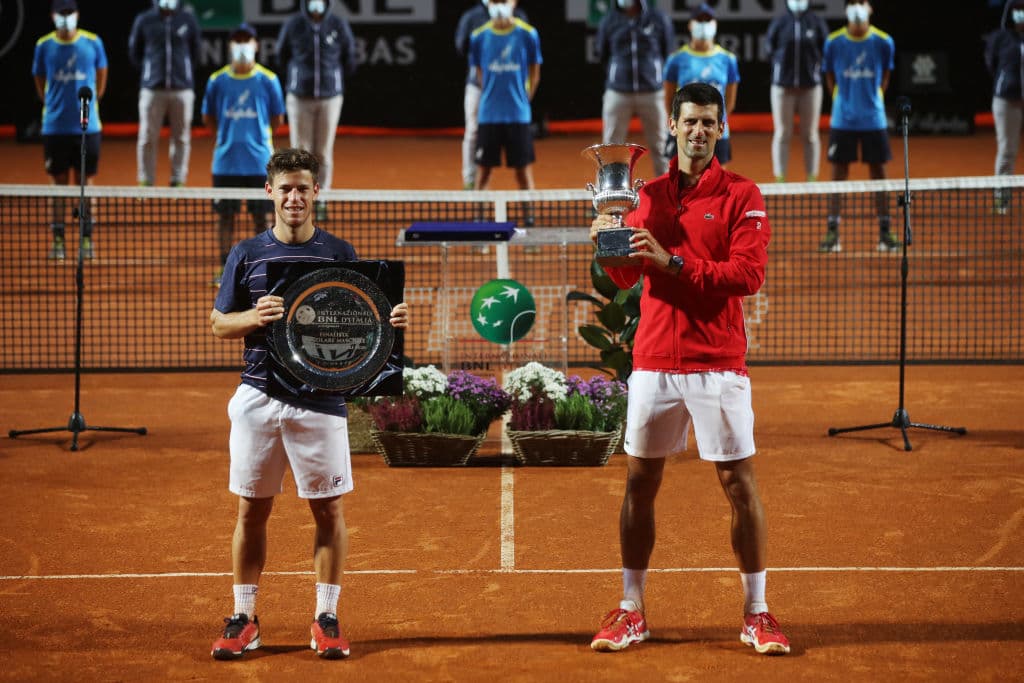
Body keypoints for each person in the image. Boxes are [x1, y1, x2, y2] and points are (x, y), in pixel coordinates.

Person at [588, 82, 790, 657]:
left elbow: (747, 275)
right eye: (690, 122)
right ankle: (631, 609)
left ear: (719, 130)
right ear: (671, 128)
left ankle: (758, 613)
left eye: (709, 123)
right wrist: (605, 244)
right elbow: (626, 278)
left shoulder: (742, 194)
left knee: (738, 484)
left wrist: (672, 261)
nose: (699, 131)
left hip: (717, 363)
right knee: (640, 483)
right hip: (653, 361)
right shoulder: (642, 194)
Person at [208, 147, 410, 661]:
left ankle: (326, 617)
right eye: (285, 188)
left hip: (321, 401)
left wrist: (391, 322)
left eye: (303, 188)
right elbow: (218, 323)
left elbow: (363, 323)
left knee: (328, 510)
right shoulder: (246, 254)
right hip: (257, 397)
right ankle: (244, 617)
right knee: (251, 511)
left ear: (316, 192)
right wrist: (254, 317)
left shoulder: (339, 255)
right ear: (269, 192)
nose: (294, 197)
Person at [201, 23, 286, 286]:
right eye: (237, 40)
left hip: (259, 162)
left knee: (262, 218)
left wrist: (255, 140)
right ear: (230, 45)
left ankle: (262, 270)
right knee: (225, 217)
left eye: (246, 40)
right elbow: (208, 117)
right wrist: (228, 139)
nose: (242, 45)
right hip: (225, 163)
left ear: (256, 45)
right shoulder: (217, 80)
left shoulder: (269, 80)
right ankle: (225, 269)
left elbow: (277, 119)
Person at [31, 0, 108, 261]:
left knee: (86, 183)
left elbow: (101, 74)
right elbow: (39, 78)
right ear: (53, 16)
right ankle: (58, 239)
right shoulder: (43, 45)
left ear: (77, 14)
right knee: (58, 186)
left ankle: (86, 239)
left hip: (88, 128)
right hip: (54, 127)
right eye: (61, 13)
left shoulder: (93, 42)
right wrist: (51, 103)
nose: (66, 17)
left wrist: (94, 100)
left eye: (69, 13)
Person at [819, 0, 897, 253]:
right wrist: (842, 100)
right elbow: (829, 75)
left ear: (870, 8)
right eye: (852, 3)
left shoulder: (884, 42)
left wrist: (874, 99)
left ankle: (885, 233)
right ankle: (832, 233)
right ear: (846, 9)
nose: (857, 7)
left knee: (879, 174)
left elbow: (886, 75)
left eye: (861, 2)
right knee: (838, 175)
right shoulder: (833, 42)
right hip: (843, 120)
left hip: (874, 119)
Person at [275, 0, 357, 218]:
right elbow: (280, 55)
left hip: (330, 98)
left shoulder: (338, 24)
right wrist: (298, 79)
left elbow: (350, 57)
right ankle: (300, 198)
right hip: (299, 97)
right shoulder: (293, 24)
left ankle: (322, 199)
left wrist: (332, 80)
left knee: (323, 152)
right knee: (300, 152)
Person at [468, 0, 542, 199]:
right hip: (489, 115)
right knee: (483, 173)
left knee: (523, 174)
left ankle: (530, 218)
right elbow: (479, 72)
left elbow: (535, 72)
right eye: (494, 0)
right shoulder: (478, 36)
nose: (499, 4)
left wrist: (524, 99)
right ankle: (479, 219)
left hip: (518, 116)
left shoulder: (528, 34)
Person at [596, 0, 676, 177]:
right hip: (618, 93)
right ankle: (607, 197)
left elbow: (668, 52)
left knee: (661, 145)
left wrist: (653, 75)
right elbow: (603, 54)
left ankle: (668, 195)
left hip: (653, 93)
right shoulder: (609, 21)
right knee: (610, 147)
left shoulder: (658, 19)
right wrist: (618, 75)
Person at [455, 0, 529, 190]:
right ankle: (469, 180)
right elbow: (461, 47)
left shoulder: (518, 16)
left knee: (517, 153)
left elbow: (526, 55)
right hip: (479, 88)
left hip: (509, 90)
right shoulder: (472, 17)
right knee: (472, 132)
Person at [128, 0, 201, 188]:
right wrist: (151, 73)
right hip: (152, 90)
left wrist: (182, 74)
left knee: (182, 137)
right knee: (147, 137)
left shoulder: (188, 19)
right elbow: (134, 52)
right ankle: (145, 180)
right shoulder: (144, 20)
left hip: (182, 90)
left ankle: (178, 180)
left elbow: (196, 53)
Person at [662, 2, 739, 169]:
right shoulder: (676, 59)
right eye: (699, 20)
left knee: (717, 184)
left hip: (716, 132)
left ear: (715, 24)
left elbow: (729, 102)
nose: (703, 25)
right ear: (690, 25)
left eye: (708, 20)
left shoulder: (728, 59)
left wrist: (714, 124)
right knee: (680, 184)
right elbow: (669, 100)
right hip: (685, 130)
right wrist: (681, 124)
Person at [764, 0, 829, 183]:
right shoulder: (780, 21)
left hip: (811, 87)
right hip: (782, 88)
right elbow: (768, 48)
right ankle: (780, 176)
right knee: (782, 133)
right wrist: (780, 67)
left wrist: (814, 68)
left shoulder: (816, 22)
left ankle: (811, 176)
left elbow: (826, 50)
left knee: (810, 134)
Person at [985, 0, 1024, 214]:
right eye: (1018, 10)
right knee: (1007, 150)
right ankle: (1002, 199)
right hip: (1007, 100)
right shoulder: (1000, 38)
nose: (1021, 13)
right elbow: (991, 63)